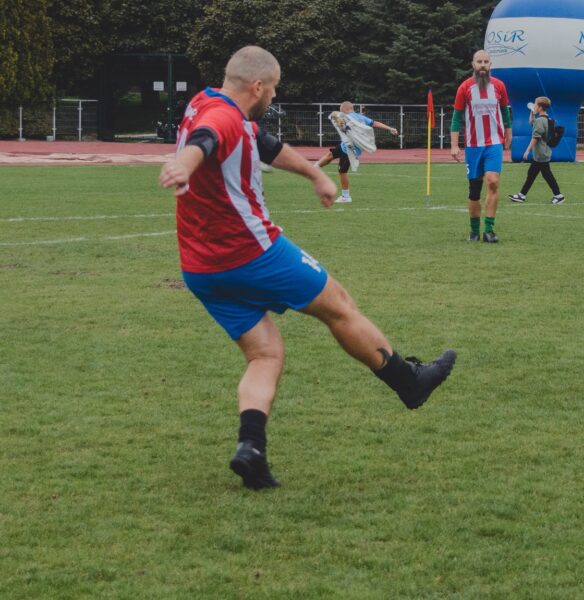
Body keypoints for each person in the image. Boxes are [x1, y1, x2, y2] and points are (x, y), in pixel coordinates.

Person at [158, 46, 455, 490]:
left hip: (201, 268)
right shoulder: (219, 119)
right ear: (257, 86)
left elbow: (261, 143)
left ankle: (251, 449)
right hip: (253, 254)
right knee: (339, 305)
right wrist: (185, 161)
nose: (273, 97)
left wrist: (315, 174)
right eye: (273, 89)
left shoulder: (206, 101)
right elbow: (208, 139)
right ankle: (408, 381)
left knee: (265, 353)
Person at [450, 49, 512, 242]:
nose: (483, 65)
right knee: (474, 191)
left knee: (493, 182)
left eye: (486, 61)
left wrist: (508, 135)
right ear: (473, 65)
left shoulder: (499, 86)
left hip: (494, 143)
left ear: (490, 64)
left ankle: (489, 230)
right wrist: (454, 145)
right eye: (479, 62)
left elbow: (505, 112)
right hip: (473, 145)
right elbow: (456, 117)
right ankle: (474, 231)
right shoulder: (465, 87)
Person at [317, 101, 398, 203]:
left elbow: (339, 120)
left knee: (342, 171)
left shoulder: (348, 117)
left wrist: (336, 118)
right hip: (344, 145)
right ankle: (314, 168)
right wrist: (389, 128)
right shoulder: (361, 117)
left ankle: (346, 197)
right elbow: (375, 123)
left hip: (351, 149)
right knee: (330, 155)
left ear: (344, 110)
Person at [509, 96, 565, 204]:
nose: (534, 106)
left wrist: (527, 150)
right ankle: (522, 195)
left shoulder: (540, 121)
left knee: (544, 175)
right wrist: (532, 112)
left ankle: (559, 195)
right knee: (533, 174)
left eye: (535, 105)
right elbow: (532, 122)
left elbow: (535, 137)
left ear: (540, 107)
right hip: (543, 152)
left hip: (541, 153)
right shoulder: (547, 119)